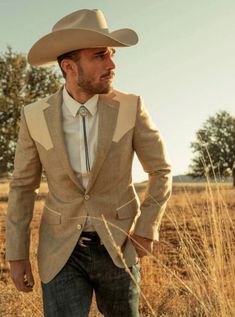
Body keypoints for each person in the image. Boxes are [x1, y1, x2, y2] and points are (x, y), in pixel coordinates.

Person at [6, 9, 172, 317]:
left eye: (111, 54)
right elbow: (22, 187)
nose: (112, 64)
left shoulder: (130, 107)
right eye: (99, 56)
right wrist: (16, 255)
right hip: (60, 253)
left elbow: (161, 170)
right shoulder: (34, 116)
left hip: (120, 247)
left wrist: (147, 230)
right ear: (69, 66)